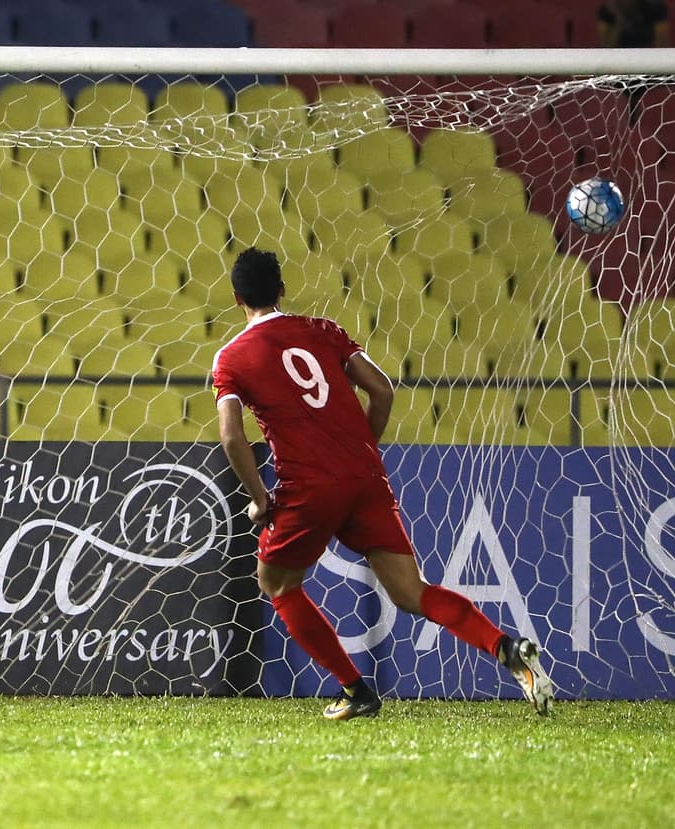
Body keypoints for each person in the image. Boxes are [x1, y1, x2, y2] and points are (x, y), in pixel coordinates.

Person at [212, 248, 554, 720]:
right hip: (366, 477)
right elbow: (383, 388)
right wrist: (361, 452)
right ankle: (507, 648)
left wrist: (259, 499)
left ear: (236, 299)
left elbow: (232, 436)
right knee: (412, 592)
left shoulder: (230, 357)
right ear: (282, 290)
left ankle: (356, 690)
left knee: (277, 581)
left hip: (308, 485)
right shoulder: (323, 330)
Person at [598, 0, 668, 47]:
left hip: (649, 56)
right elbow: (606, 46)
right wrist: (618, 18)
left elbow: (661, 44)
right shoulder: (608, 10)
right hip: (619, 57)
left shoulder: (655, 6)